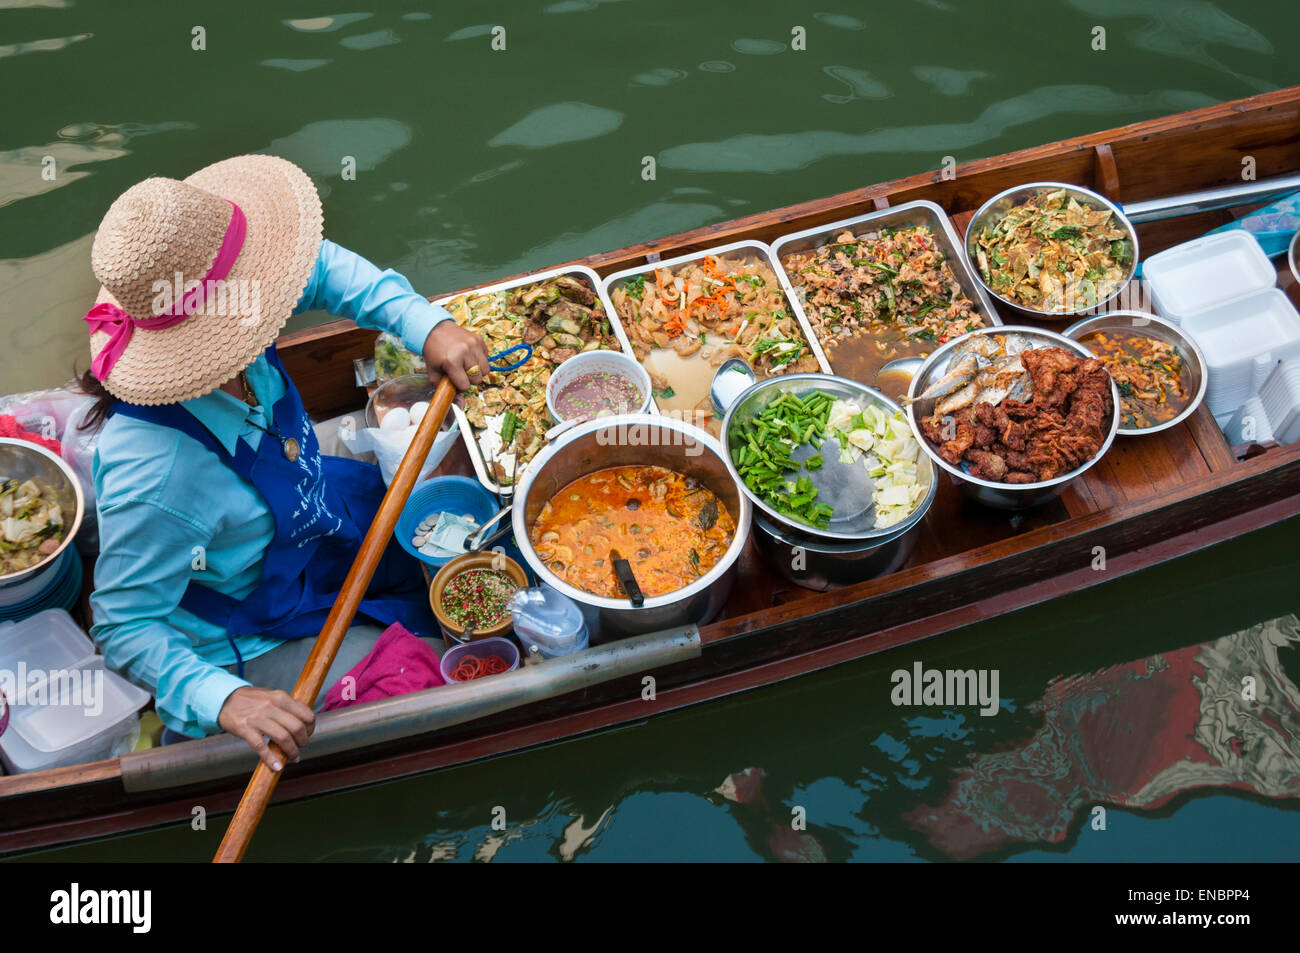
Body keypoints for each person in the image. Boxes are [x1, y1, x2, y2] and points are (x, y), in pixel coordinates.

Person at [80, 154, 490, 770]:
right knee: (426, 674)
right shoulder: (157, 473)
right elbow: (123, 623)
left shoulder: (240, 311)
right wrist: (228, 700)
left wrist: (424, 324)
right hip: (252, 617)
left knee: (461, 542)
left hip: (314, 513)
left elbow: (324, 268)